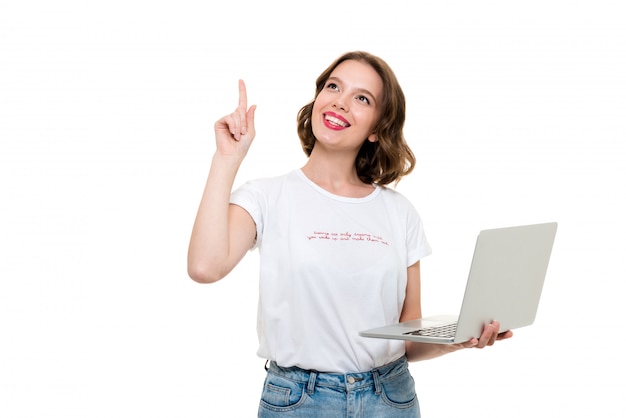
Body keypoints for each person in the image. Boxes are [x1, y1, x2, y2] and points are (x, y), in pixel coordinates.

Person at [187, 51, 513, 417]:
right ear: (317, 101)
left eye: (362, 98)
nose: (340, 102)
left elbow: (408, 340)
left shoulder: (399, 212)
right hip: (299, 402)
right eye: (333, 87)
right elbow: (205, 267)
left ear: (376, 128)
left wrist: (459, 340)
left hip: (391, 398)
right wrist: (227, 158)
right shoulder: (266, 196)